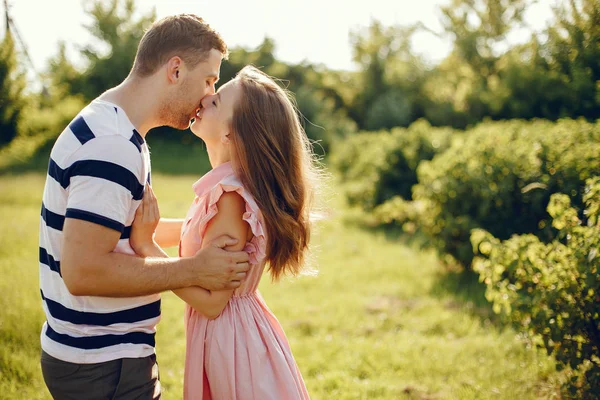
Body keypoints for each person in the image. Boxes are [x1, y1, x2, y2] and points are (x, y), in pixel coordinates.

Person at [38, 14, 250, 399]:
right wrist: (193, 269)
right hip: (102, 364)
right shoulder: (112, 147)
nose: (208, 94)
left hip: (101, 358)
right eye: (208, 79)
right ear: (174, 69)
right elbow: (83, 271)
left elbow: (120, 235)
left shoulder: (119, 130)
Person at [130, 65, 320, 399]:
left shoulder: (231, 199)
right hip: (230, 332)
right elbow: (193, 235)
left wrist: (147, 246)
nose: (204, 101)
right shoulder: (226, 188)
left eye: (216, 103)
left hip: (230, 341)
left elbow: (213, 302)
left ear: (232, 134)